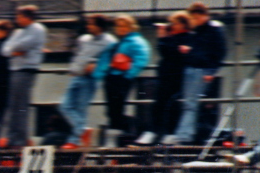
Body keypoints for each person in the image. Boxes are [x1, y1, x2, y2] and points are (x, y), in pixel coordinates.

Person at [166, 2, 227, 145]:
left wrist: (212, 70)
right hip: (191, 68)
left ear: (203, 16)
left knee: (190, 104)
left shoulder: (214, 29)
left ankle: (184, 135)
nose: (194, 21)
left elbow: (220, 52)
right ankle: (187, 133)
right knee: (190, 104)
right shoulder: (197, 31)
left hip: (201, 69)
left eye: (196, 18)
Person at [134, 12, 193, 146]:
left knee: (174, 105)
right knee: (158, 104)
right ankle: (153, 132)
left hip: (178, 76)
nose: (173, 26)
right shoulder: (171, 37)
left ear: (183, 24)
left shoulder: (187, 37)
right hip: (165, 75)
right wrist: (164, 37)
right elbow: (164, 49)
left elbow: (170, 50)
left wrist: (165, 39)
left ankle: (170, 133)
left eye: (176, 23)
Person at [57, 14, 116, 149]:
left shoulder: (110, 42)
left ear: (100, 26)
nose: (88, 26)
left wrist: (96, 64)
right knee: (64, 106)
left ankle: (74, 140)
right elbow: (78, 55)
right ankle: (83, 129)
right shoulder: (84, 39)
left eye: (91, 24)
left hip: (89, 79)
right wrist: (73, 69)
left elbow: (108, 60)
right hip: (76, 76)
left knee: (80, 109)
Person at [93, 15, 150, 147]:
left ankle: (117, 137)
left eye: (123, 26)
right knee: (112, 109)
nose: (120, 29)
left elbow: (141, 59)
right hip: (112, 77)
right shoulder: (119, 42)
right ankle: (115, 136)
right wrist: (101, 74)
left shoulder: (135, 41)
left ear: (131, 27)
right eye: (118, 26)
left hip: (122, 78)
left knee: (117, 108)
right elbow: (105, 59)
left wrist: (128, 75)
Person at [1, 5, 47, 148]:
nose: (17, 19)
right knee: (14, 106)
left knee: (20, 106)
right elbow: (4, 50)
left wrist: (14, 50)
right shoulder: (18, 32)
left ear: (27, 17)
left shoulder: (38, 29)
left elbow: (23, 45)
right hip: (15, 70)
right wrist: (14, 50)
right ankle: (12, 137)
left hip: (26, 69)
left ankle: (19, 139)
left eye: (19, 16)